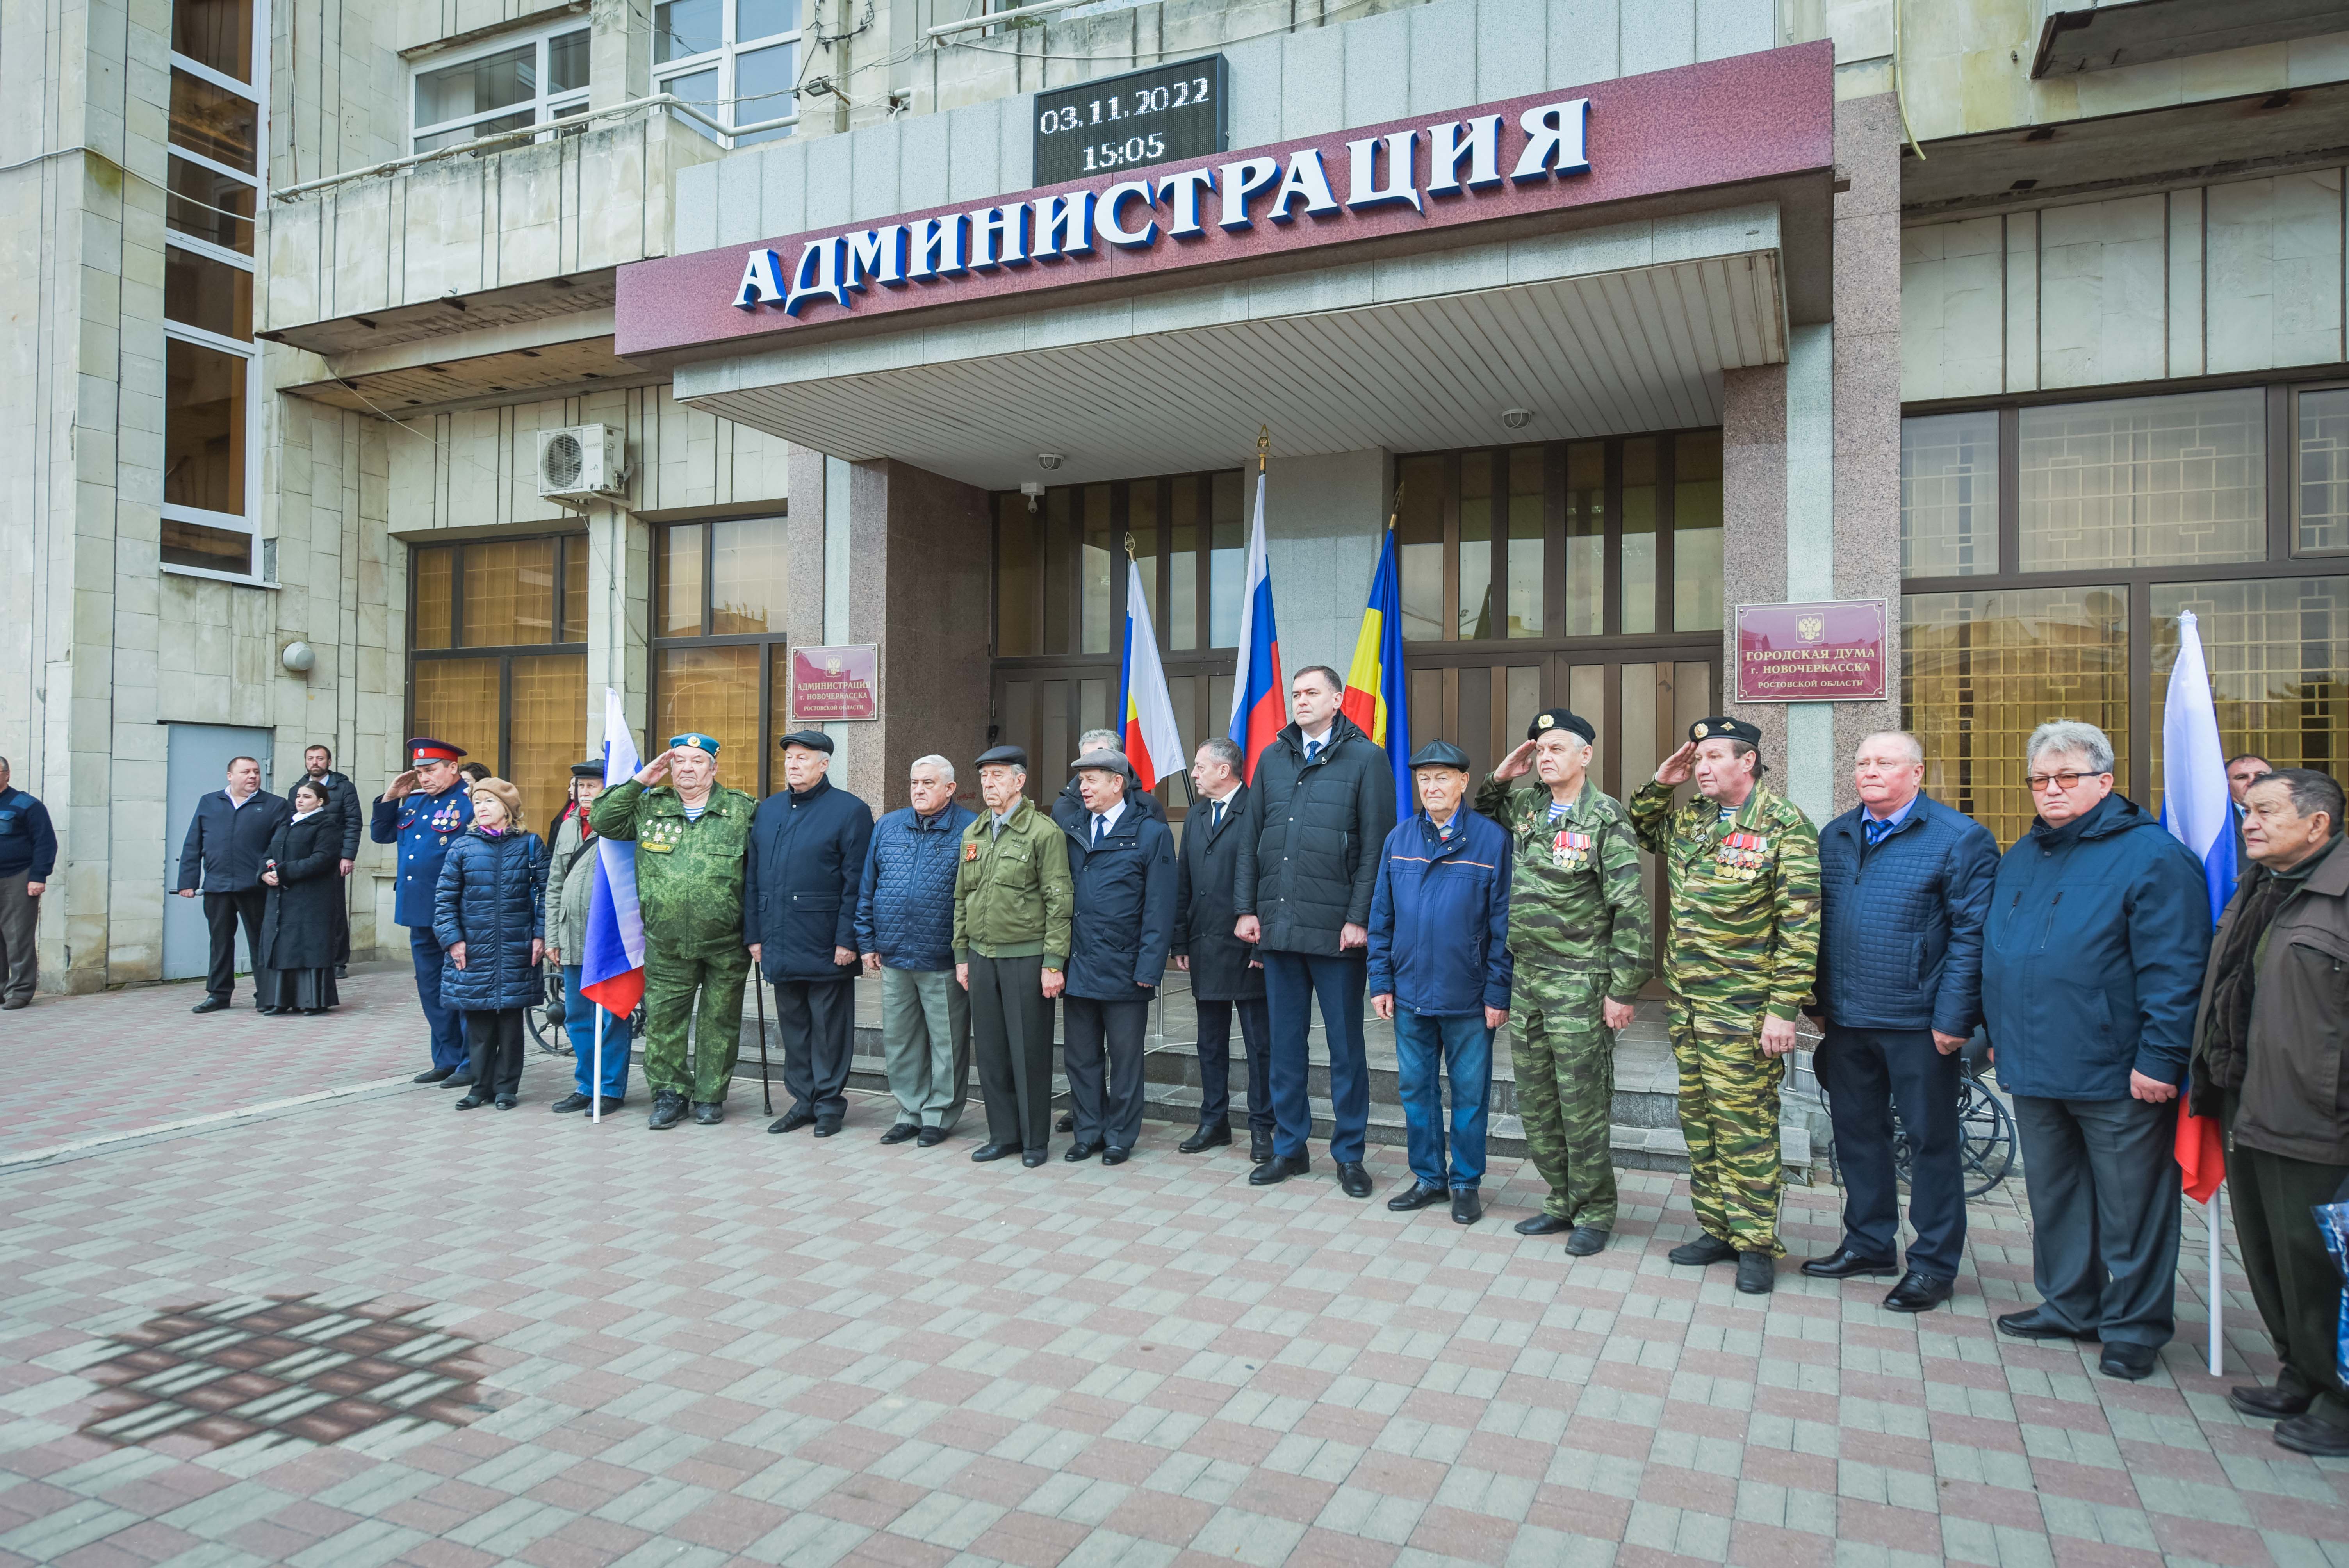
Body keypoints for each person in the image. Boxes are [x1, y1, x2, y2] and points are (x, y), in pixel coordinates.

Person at [1981, 720, 2210, 1380]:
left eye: (2066, 778)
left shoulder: (2153, 857)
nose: (2050, 790)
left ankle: (2134, 1327)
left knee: (2131, 1207)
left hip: (2118, 1070)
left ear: (2104, 782)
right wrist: (1996, 1033)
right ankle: (2068, 1305)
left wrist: (2160, 1059)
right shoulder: (2024, 853)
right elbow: (2003, 953)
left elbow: (2176, 971)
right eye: (2040, 780)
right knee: (2054, 1196)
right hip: (2033, 1061)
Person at [1803, 732, 1998, 1312]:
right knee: (1858, 1136)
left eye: (1885, 763)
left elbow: (1971, 936)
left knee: (1931, 1143)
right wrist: (1816, 999)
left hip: (1920, 1022)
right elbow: (1816, 922)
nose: (1870, 772)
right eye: (1862, 762)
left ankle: (1934, 1265)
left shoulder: (1959, 839)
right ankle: (1868, 1243)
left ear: (1916, 773)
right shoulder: (1836, 835)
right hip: (1847, 1019)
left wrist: (1955, 1017)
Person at [1629, 717, 1820, 1295]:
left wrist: (1784, 1009)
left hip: (1743, 1008)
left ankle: (1756, 1241)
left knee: (1747, 1128)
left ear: (1749, 763)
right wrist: (1663, 782)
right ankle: (1717, 1227)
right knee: (1702, 1123)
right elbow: (1641, 827)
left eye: (1714, 757)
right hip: (1688, 1006)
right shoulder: (1691, 818)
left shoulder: (1785, 826)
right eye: (1699, 758)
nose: (1703, 767)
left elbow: (1801, 925)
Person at [2190, 768, 2349, 1454]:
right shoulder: (2260, 886)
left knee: (2323, 1261)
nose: (2248, 822)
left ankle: (2341, 1400)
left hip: (2318, 1111)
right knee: (2269, 1251)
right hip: (2248, 1096)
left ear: (2316, 824)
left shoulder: (2338, 893)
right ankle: (2300, 1371)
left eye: (2265, 811)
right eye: (2246, 810)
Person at [1476, 709, 1649, 1255]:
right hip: (1528, 981)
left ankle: (1596, 1210)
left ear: (1585, 756)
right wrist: (1506, 771)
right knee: (1538, 1101)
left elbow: (1630, 909)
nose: (1546, 758)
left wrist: (1622, 990)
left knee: (1582, 1104)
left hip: (1580, 984)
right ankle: (1561, 1198)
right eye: (1539, 750)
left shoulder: (1607, 818)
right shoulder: (1527, 807)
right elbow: (1484, 809)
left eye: (1556, 748)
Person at [1234, 666, 1397, 1197]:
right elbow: (1252, 838)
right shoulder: (1272, 758)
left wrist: (1359, 918)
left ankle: (1349, 1156)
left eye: (1310, 693)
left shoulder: (1367, 759)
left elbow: (1376, 847)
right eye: (1295, 694)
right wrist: (1247, 909)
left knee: (1346, 1049)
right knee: (1285, 1047)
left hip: (1336, 934)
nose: (1300, 701)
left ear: (1337, 699)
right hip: (1279, 929)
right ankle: (1290, 1149)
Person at [1369, 741, 1511, 1226]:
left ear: (1463, 782)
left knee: (1470, 1093)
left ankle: (1466, 1182)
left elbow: (1503, 924)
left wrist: (1498, 991)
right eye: (1424, 778)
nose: (1432, 787)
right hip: (1408, 991)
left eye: (1442, 778)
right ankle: (1429, 1177)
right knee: (1416, 1090)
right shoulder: (1400, 838)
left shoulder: (1491, 841)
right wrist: (1380, 980)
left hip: (1468, 995)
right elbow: (1381, 915)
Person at [590, 734, 757, 1130]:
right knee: (665, 1020)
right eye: (679, 760)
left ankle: (710, 1095)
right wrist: (639, 781)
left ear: (713, 768)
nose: (686, 768)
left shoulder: (742, 810)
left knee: (721, 1020)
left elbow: (763, 870)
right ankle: (669, 1095)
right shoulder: (648, 805)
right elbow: (601, 820)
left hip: (726, 941)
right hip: (666, 941)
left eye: (697, 761)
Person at [747, 731, 875, 1139]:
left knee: (829, 1028)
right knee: (795, 1026)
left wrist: (848, 940)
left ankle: (829, 1104)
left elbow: (857, 883)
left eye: (803, 757)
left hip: (826, 942)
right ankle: (802, 1101)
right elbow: (752, 877)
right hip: (779, 939)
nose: (793, 764)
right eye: (789, 758)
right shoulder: (768, 810)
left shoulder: (849, 810)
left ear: (824, 764)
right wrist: (755, 934)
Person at [954, 745, 1074, 1168]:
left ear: (1019, 781)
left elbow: (1059, 901)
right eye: (984, 776)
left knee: (1029, 1051)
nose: (989, 784)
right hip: (983, 956)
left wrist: (1053, 962)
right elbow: (961, 898)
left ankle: (1033, 1141)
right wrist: (962, 954)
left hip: (1026, 956)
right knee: (989, 1050)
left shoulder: (1044, 832)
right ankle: (1002, 1134)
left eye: (998, 776)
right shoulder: (973, 832)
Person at [1060, 747, 1178, 1165]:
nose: (1082, 787)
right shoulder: (1071, 826)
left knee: (1125, 1060)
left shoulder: (1150, 833)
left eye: (1091, 779)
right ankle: (1088, 1131)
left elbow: (1161, 906)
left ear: (1117, 783)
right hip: (1078, 963)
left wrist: (1150, 966)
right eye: (1080, 780)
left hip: (1125, 966)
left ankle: (1119, 1137)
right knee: (1081, 1056)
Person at [856, 754, 976, 1147]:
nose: (919, 790)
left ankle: (939, 1114)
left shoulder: (970, 828)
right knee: (901, 1039)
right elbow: (867, 886)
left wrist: (965, 953)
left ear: (949, 788)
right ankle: (909, 1111)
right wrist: (867, 940)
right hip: (894, 953)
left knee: (947, 1042)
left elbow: (974, 897)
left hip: (942, 956)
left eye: (927, 783)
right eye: (914, 782)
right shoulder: (888, 825)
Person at [1173, 737, 1271, 1161]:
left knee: (1259, 1045)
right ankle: (1214, 1121)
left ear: (1224, 771)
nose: (1194, 774)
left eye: (1199, 766)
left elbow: (1269, 880)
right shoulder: (1195, 816)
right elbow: (1184, 880)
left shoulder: (1258, 810)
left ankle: (1263, 1127)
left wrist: (1265, 946)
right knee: (1209, 1042)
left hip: (1248, 947)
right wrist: (1180, 938)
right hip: (1204, 944)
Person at [432, 777, 548, 1110]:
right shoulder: (462, 847)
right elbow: (444, 899)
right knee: (480, 1022)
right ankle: (479, 1086)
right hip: (474, 948)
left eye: (490, 802)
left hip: (516, 946)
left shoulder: (530, 845)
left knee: (511, 1023)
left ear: (508, 810)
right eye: (478, 802)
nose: (481, 808)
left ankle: (506, 1087)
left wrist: (540, 935)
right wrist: (453, 940)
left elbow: (547, 893)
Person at [371, 739, 476, 1083]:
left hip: (456, 911)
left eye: (431, 771)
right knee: (431, 987)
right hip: (419, 909)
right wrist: (390, 797)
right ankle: (446, 1057)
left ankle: (470, 1062)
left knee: (461, 987)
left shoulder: (471, 801)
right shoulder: (414, 803)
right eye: (420, 772)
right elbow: (381, 834)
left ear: (453, 768)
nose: (425, 778)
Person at [176, 755, 292, 1015]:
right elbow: (193, 843)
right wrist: (188, 881)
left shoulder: (275, 805)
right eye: (245, 772)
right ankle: (218, 995)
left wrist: (271, 872)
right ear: (230, 776)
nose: (252, 776)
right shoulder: (209, 802)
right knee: (220, 943)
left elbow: (282, 846)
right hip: (217, 887)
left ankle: (267, 994)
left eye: (256, 772)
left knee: (261, 942)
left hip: (256, 887)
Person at [545, 759, 630, 1115]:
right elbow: (554, 884)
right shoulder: (567, 827)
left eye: (592, 786)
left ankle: (609, 1088)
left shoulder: (622, 829)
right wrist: (551, 935)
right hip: (571, 935)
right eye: (580, 786)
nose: (584, 793)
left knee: (611, 1015)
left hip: (608, 937)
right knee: (578, 1015)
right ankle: (587, 1083)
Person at [256, 780, 345, 1015]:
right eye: (298, 796)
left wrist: (283, 872)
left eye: (306, 797)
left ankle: (312, 1001)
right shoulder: (287, 823)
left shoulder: (327, 825)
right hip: (281, 899)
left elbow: (322, 859)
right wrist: (265, 873)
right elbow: (267, 853)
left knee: (307, 948)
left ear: (320, 801)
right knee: (283, 948)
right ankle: (280, 1001)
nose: (299, 800)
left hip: (311, 898)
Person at [290, 744, 362, 978]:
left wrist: (348, 856)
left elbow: (354, 823)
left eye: (320, 758)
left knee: (336, 910)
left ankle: (338, 961)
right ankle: (312, 958)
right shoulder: (298, 789)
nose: (315, 762)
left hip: (333, 859)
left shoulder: (344, 788)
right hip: (304, 861)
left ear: (329, 762)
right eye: (311, 758)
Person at [0, 755, 57, 1011]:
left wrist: (38, 876)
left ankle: (20, 992)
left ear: (7, 774)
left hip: (18, 878)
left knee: (17, 937)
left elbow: (45, 842)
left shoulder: (27, 805)